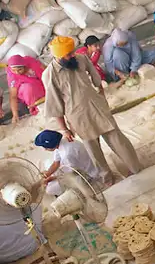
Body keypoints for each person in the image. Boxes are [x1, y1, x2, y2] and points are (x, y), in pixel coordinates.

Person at [42, 36, 142, 185]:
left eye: (73, 52)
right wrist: (65, 129)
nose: (72, 56)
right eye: (68, 55)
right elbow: (55, 106)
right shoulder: (49, 75)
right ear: (58, 56)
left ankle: (135, 168)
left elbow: (96, 79)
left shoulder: (81, 59)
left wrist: (101, 95)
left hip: (97, 106)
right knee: (93, 150)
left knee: (118, 139)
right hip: (77, 115)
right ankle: (107, 179)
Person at [34, 129, 101, 196]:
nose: (45, 149)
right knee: (48, 164)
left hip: (86, 174)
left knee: (50, 189)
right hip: (75, 167)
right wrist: (47, 175)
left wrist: (53, 178)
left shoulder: (67, 154)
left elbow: (71, 174)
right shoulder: (62, 142)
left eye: (45, 147)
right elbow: (56, 163)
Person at [7, 55, 45, 123]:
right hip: (27, 93)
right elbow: (13, 96)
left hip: (40, 86)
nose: (17, 72)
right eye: (14, 70)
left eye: (20, 69)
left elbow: (46, 76)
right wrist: (15, 115)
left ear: (25, 66)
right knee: (27, 88)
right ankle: (35, 109)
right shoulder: (12, 75)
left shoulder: (32, 64)